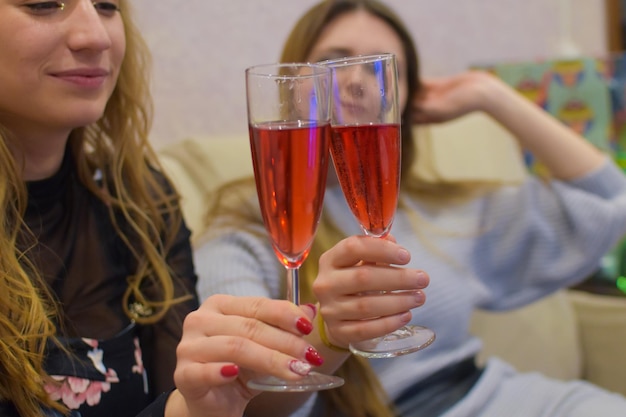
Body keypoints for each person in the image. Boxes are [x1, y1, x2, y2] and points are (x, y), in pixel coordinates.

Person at [195, 0, 626, 417]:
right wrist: (329, 334)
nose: (355, 80)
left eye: (378, 68)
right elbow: (248, 395)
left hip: (512, 398)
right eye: (334, 61)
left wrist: (490, 95)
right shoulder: (256, 222)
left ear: (401, 97)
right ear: (295, 78)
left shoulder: (437, 209)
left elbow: (611, 203)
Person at [0, 1, 337, 417]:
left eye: (107, 5)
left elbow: (189, 399)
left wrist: (329, 333)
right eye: (43, 4)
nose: (97, 35)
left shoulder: (140, 203)